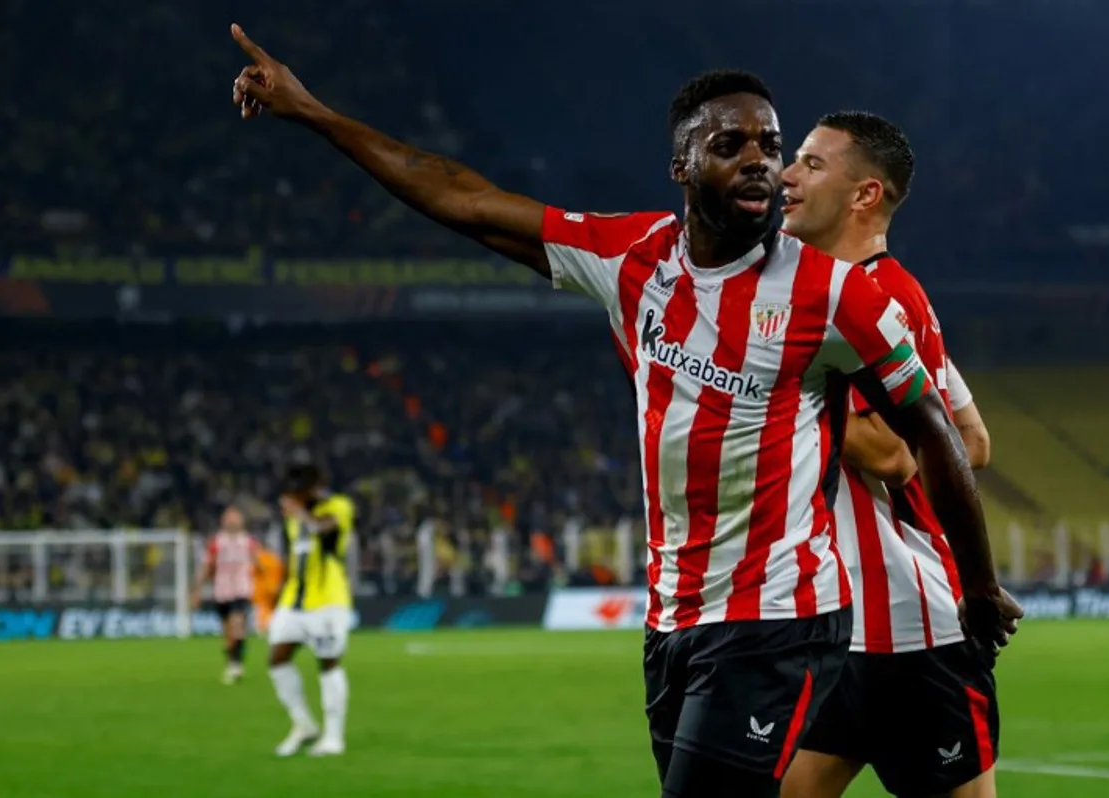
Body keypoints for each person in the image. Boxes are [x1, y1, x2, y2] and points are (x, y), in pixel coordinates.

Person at [229, 28, 1014, 795]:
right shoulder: (629, 261)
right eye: (730, 144)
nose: (760, 162)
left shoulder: (834, 294)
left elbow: (934, 429)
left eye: (770, 146)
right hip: (675, 619)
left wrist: (976, 585)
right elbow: (464, 198)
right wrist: (318, 114)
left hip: (779, 614)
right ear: (681, 164)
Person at [777, 111, 1022, 798]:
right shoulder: (882, 298)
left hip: (914, 635)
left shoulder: (878, 298)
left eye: (812, 164)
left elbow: (892, 454)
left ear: (865, 195)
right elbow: (970, 439)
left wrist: (775, 390)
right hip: (842, 625)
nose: (786, 177)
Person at [266, 463, 356, 757]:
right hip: (294, 600)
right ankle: (303, 723)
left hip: (328, 601)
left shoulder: (339, 506)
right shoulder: (292, 521)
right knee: (277, 658)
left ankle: (334, 737)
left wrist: (299, 512)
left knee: (328, 662)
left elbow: (324, 528)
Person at [191, 506, 260, 684]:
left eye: (235, 518)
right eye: (229, 518)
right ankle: (232, 662)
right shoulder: (216, 543)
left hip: (242, 589)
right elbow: (207, 566)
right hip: (222, 591)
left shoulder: (248, 542)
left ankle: (236, 664)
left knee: (237, 623)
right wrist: (197, 589)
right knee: (227, 631)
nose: (232, 521)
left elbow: (259, 563)